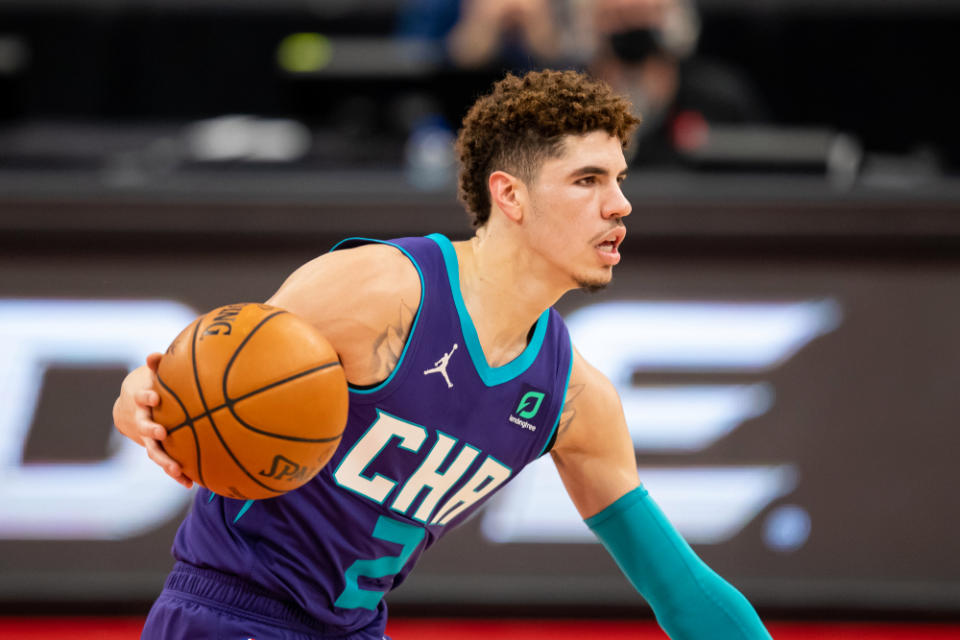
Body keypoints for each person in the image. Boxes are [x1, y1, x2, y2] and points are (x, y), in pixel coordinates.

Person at [113, 69, 772, 639]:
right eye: (588, 180)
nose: (620, 204)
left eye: (620, 179)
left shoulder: (574, 399)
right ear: (510, 194)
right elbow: (202, 374)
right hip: (228, 614)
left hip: (351, 628)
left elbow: (679, 588)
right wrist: (136, 402)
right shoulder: (382, 289)